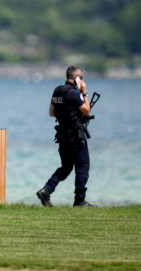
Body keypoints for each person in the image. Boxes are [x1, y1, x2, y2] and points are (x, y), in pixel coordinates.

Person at [37, 65, 95, 207]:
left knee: (66, 166)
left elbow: (51, 113)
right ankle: (79, 200)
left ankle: (46, 190)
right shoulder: (75, 93)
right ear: (76, 78)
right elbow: (87, 111)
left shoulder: (57, 91)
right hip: (75, 135)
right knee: (83, 166)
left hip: (62, 134)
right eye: (81, 78)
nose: (82, 81)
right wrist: (85, 93)